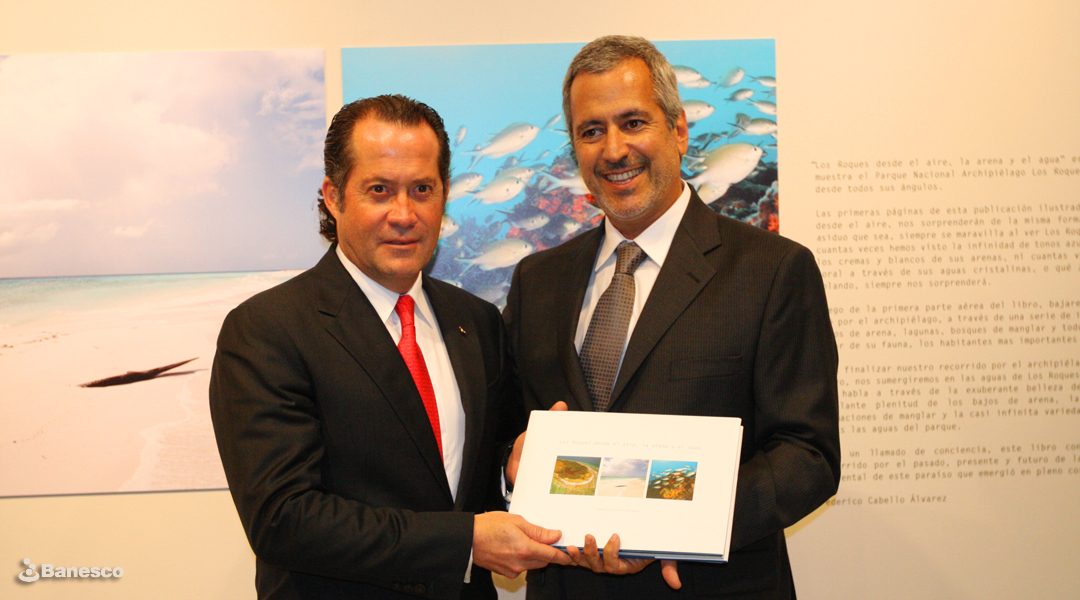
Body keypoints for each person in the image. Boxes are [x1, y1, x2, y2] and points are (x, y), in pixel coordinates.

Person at [503, 36, 840, 599]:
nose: (614, 150)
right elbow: (506, 438)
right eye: (591, 131)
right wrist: (513, 474)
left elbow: (808, 455)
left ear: (679, 130)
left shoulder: (773, 271)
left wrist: (673, 528)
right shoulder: (538, 280)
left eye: (633, 123)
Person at [210, 94, 570, 600]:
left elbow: (472, 478)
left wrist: (513, 472)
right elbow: (283, 520)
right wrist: (465, 543)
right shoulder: (266, 330)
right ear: (334, 197)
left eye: (422, 189)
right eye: (379, 190)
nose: (404, 214)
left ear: (444, 194)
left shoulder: (477, 322)